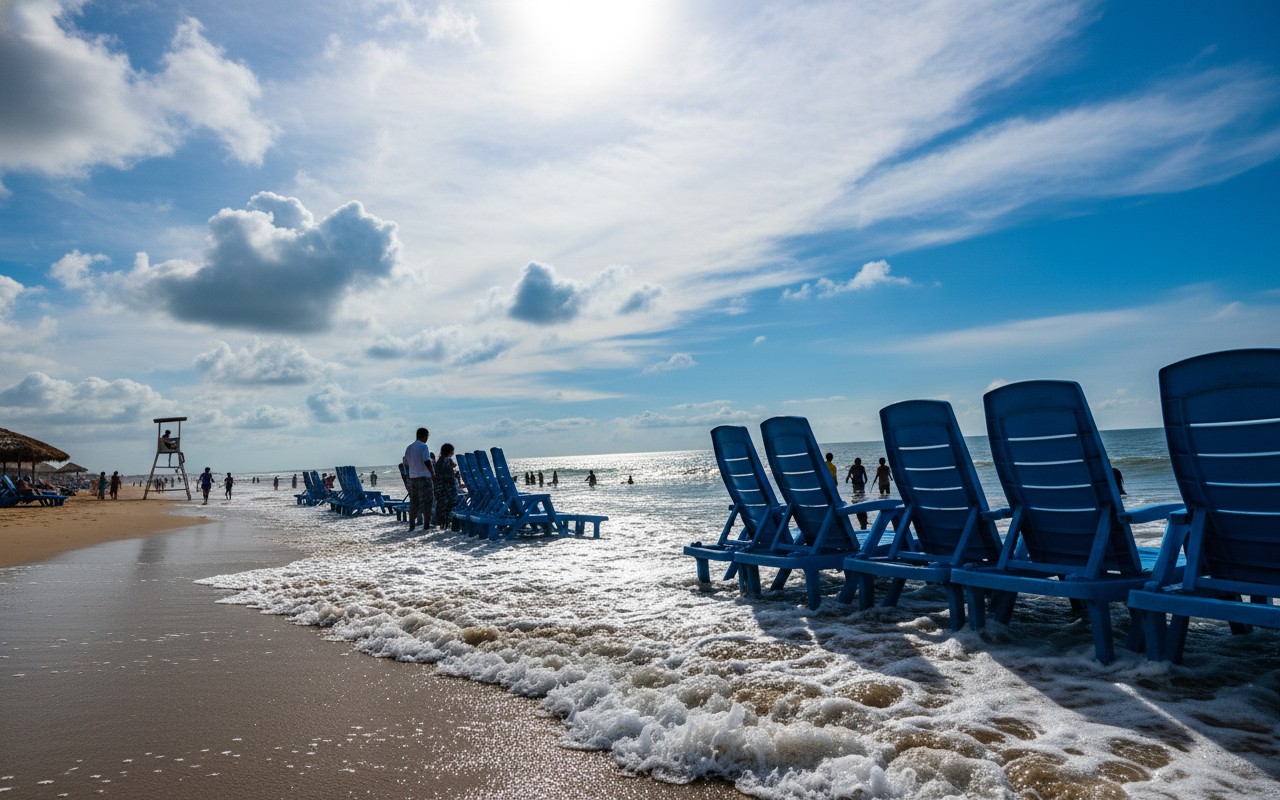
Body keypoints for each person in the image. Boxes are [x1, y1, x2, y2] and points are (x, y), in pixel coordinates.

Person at [402, 427, 435, 532]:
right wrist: (433, 473)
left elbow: (406, 464)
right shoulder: (423, 446)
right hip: (424, 478)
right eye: (427, 436)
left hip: (412, 479)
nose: (427, 439)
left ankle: (412, 526)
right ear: (424, 436)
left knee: (414, 502)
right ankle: (426, 526)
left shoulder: (409, 448)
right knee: (427, 502)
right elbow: (427, 461)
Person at [433, 443, 459, 530]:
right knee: (451, 504)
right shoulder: (448, 460)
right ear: (450, 452)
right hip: (448, 486)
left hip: (439, 486)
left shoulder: (439, 461)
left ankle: (442, 524)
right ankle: (450, 523)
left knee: (443, 505)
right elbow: (454, 466)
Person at [846, 457, 869, 529]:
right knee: (861, 499)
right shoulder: (862, 467)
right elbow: (865, 477)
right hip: (860, 484)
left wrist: (848, 478)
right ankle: (863, 519)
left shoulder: (853, 467)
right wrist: (865, 481)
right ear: (860, 462)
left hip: (856, 485)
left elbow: (849, 474)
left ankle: (861, 518)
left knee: (856, 499)